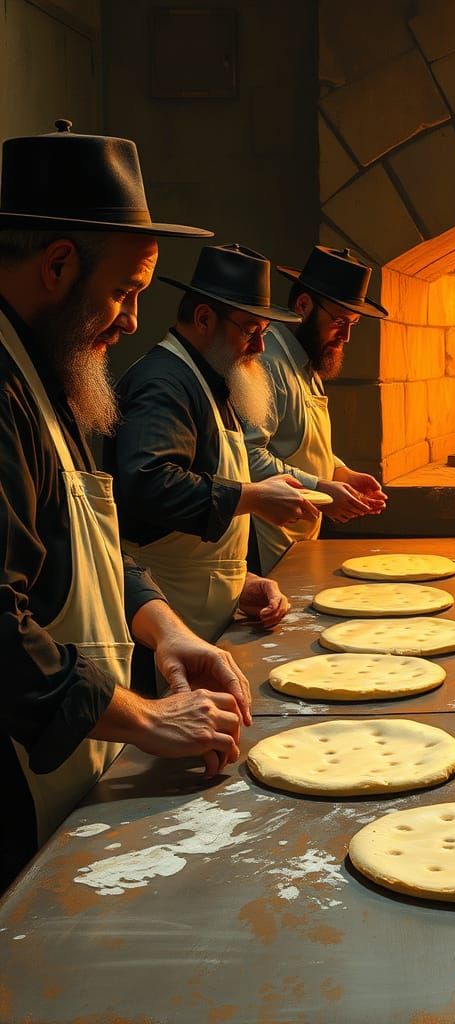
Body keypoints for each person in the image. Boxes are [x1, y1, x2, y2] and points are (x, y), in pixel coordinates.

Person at [0, 121, 253, 891]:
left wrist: (166, 630)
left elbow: (89, 550)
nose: (134, 320)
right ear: (57, 266)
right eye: (124, 291)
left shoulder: (51, 371)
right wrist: (145, 717)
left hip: (76, 774)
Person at [106, 244, 321, 645]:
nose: (259, 347)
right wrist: (253, 497)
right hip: (166, 624)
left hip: (203, 614)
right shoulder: (163, 384)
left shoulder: (210, 380)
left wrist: (241, 583)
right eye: (251, 331)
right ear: (204, 318)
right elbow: (149, 485)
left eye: (264, 333)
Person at [245, 245, 389, 574]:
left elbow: (296, 443)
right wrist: (320, 488)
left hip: (297, 540)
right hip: (264, 542)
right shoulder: (268, 362)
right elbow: (248, 456)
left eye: (353, 324)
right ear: (303, 305)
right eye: (339, 321)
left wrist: (340, 473)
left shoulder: (307, 361)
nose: (346, 336)